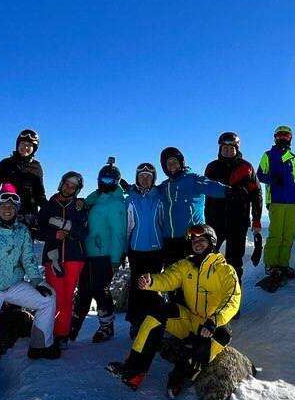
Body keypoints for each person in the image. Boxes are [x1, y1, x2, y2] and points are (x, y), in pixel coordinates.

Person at [106, 223, 241, 395]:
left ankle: (180, 376)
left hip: (212, 326)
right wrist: (151, 282)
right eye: (194, 241)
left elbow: (232, 299)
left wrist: (214, 320)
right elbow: (168, 279)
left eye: (202, 240)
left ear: (212, 242)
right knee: (157, 313)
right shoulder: (186, 265)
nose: (197, 244)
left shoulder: (225, 270)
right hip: (189, 321)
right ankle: (133, 371)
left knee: (217, 339)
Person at [0, 186, 58, 400]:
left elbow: (28, 259)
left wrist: (37, 281)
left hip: (14, 285)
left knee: (48, 299)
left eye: (12, 206)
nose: (8, 209)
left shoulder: (22, 231)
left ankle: (40, 345)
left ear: (16, 209)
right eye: (4, 205)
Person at [73, 158, 127, 343]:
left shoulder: (116, 203)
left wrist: (115, 259)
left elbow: (119, 233)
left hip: (104, 255)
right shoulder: (95, 198)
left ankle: (106, 326)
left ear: (116, 182)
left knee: (100, 290)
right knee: (84, 289)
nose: (106, 183)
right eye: (103, 179)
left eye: (110, 180)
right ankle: (73, 326)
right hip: (88, 253)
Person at [203, 132, 263, 284]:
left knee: (235, 262)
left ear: (237, 148)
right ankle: (208, 293)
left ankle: (233, 296)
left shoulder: (246, 167)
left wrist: (256, 219)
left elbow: (256, 194)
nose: (228, 150)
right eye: (225, 147)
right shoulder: (212, 167)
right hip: (215, 221)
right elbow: (205, 194)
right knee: (207, 258)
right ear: (220, 149)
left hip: (238, 221)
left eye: (231, 148)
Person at [36, 171, 89, 343]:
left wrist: (68, 227)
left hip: (75, 256)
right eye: (67, 184)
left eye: (73, 187)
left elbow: (85, 232)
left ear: (77, 190)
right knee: (54, 297)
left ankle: (62, 335)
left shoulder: (80, 206)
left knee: (66, 297)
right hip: (53, 257)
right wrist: (54, 234)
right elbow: (38, 230)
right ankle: (48, 331)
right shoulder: (49, 205)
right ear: (61, 184)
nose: (69, 188)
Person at [154, 147, 227, 264]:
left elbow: (214, 187)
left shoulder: (193, 179)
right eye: (168, 163)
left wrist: (232, 191)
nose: (172, 166)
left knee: (192, 273)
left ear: (181, 162)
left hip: (191, 238)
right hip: (169, 241)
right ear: (164, 167)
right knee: (171, 273)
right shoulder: (165, 186)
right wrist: (129, 188)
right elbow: (149, 192)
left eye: (175, 162)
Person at [256, 126, 295, 286]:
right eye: (280, 135)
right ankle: (271, 265)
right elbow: (259, 175)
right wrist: (273, 179)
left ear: (290, 138)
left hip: (292, 202)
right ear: (275, 137)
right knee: (276, 234)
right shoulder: (268, 155)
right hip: (276, 201)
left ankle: (283, 264)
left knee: (289, 235)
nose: (283, 137)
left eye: (286, 135)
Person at [125, 162, 166, 330]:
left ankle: (153, 323)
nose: (144, 179)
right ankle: (136, 323)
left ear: (153, 179)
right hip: (136, 250)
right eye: (141, 176)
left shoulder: (160, 198)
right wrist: (125, 248)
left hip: (156, 250)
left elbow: (163, 223)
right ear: (137, 178)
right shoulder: (131, 199)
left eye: (148, 177)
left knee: (153, 286)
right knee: (136, 286)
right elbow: (128, 226)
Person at [0, 129, 47, 230]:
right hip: (7, 212)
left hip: (29, 215)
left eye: (29, 145)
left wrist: (50, 209)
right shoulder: (5, 164)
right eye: (23, 144)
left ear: (34, 148)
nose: (25, 147)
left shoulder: (36, 167)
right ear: (18, 144)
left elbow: (40, 194)